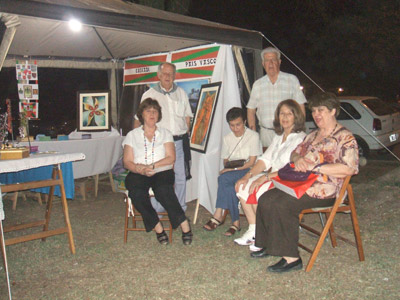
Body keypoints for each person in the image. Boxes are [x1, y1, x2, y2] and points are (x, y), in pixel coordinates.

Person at [250, 93, 359, 273]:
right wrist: (299, 158)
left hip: (326, 189)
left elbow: (349, 169)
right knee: (266, 198)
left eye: (321, 110)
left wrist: (317, 167)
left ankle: (292, 259)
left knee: (283, 204)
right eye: (314, 111)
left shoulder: (345, 137)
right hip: (302, 183)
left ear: (333, 111)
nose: (317, 115)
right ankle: (268, 245)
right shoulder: (312, 135)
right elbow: (294, 153)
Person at [234, 100, 306, 249]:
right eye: (281, 113)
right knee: (242, 186)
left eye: (289, 113)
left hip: (287, 179)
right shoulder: (278, 137)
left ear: (296, 116)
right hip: (272, 176)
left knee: (258, 189)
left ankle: (264, 235)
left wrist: (263, 178)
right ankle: (254, 230)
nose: (285, 117)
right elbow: (265, 160)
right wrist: (247, 176)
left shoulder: (300, 138)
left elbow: (290, 168)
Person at [124, 98, 193, 245]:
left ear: (159, 115)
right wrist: (139, 168)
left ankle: (184, 225)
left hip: (161, 170)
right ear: (141, 114)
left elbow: (171, 157)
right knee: (136, 192)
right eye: (148, 111)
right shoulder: (132, 135)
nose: (152, 114)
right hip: (139, 171)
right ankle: (158, 227)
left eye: (155, 111)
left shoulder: (165, 133)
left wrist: (153, 166)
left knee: (163, 190)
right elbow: (127, 161)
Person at [134, 62, 193, 212]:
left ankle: (180, 209)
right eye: (165, 74)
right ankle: (157, 211)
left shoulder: (181, 93)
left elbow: (187, 117)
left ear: (174, 76)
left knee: (180, 177)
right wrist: (137, 142)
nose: (168, 77)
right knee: (159, 177)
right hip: (158, 144)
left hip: (178, 142)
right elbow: (138, 119)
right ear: (158, 76)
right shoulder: (149, 95)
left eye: (171, 74)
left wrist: (186, 131)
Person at [203, 107, 262, 236]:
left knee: (223, 178)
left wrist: (232, 168)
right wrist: (231, 167)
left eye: (238, 125)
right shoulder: (227, 138)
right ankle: (235, 222)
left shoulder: (253, 136)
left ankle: (219, 214)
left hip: (250, 170)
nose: (236, 128)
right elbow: (225, 160)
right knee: (229, 187)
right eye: (232, 125)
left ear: (244, 122)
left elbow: (252, 163)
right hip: (234, 170)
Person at [247, 47, 307, 148]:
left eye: (273, 59)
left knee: (287, 161)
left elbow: (300, 106)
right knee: (267, 161)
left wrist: (299, 129)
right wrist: (253, 134)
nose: (270, 63)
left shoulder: (291, 80)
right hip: (266, 134)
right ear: (263, 64)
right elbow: (250, 110)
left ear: (279, 62)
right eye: (267, 60)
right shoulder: (257, 84)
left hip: (288, 132)